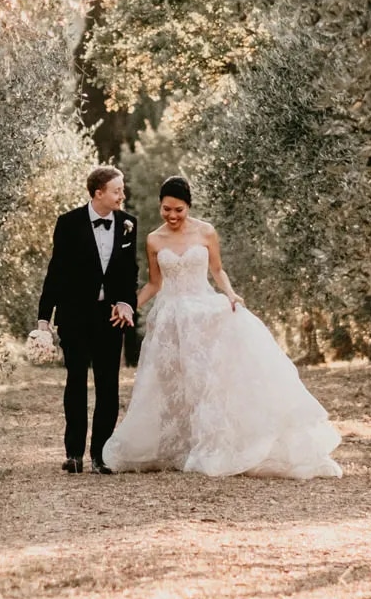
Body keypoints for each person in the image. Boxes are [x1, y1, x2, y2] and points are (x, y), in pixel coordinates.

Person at [101, 176, 342, 479]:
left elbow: (217, 270)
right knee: (176, 385)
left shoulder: (206, 232)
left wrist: (229, 293)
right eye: (166, 209)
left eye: (178, 210)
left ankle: (215, 443)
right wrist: (128, 305)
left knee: (208, 382)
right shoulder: (153, 239)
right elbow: (154, 283)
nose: (172, 216)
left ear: (188, 206)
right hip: (171, 319)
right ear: (159, 206)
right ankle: (182, 444)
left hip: (202, 312)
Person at [35, 165, 138, 473]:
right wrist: (44, 318)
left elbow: (129, 272)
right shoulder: (68, 223)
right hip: (75, 315)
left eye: (122, 190)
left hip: (111, 317)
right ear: (99, 193)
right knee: (76, 381)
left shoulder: (128, 224)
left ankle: (101, 455)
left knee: (109, 386)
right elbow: (56, 271)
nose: (123, 195)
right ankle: (74, 454)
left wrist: (126, 304)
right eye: (117, 190)